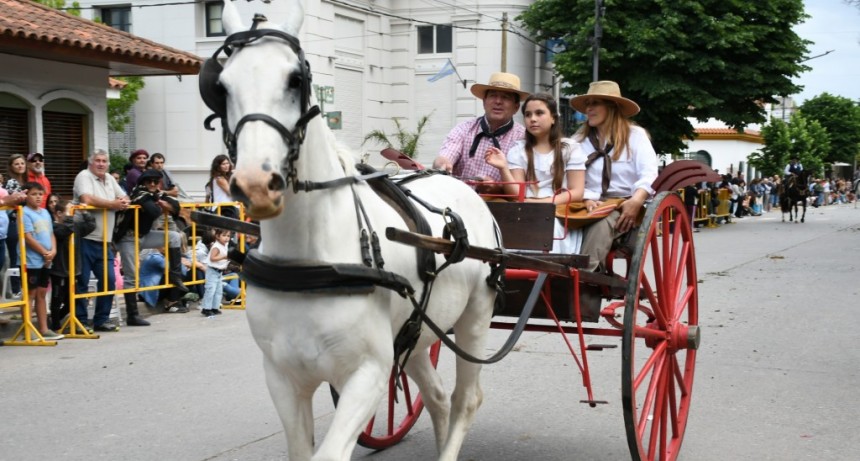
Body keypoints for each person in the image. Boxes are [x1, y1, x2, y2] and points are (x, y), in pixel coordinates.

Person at [570, 81, 658, 322]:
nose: (588, 108)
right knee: (552, 218)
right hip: (586, 202)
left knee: (602, 222)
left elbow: (649, 173)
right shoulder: (579, 140)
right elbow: (569, 174)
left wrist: (637, 199)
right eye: (587, 103)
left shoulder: (635, 136)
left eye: (594, 103)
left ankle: (583, 277)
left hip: (623, 204)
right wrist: (587, 199)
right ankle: (548, 272)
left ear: (611, 107)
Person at [484, 92, 586, 253]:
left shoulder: (570, 148)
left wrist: (545, 204)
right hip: (525, 210)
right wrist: (503, 168)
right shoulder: (518, 150)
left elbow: (577, 191)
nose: (533, 119)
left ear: (553, 118)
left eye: (539, 113)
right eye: (528, 115)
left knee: (546, 230)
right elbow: (517, 193)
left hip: (557, 212)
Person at [114, 168, 188, 323]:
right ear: (143, 182)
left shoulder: (155, 194)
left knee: (174, 237)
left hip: (144, 235)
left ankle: (175, 277)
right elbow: (153, 211)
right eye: (149, 181)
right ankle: (133, 315)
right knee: (131, 276)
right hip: (128, 237)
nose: (153, 184)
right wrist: (163, 205)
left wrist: (165, 203)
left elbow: (176, 205)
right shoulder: (139, 193)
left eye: (156, 181)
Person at [432, 72, 528, 189]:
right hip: (459, 201)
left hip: (503, 204)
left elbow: (521, 188)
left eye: (505, 97)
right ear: (484, 102)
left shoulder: (523, 138)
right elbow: (446, 156)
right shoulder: (463, 129)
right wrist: (441, 163)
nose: (498, 101)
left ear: (516, 107)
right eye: (493, 95)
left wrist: (497, 189)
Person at [73, 149, 130, 332]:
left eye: (104, 161)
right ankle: (80, 321)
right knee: (81, 282)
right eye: (97, 160)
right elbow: (86, 198)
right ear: (91, 163)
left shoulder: (110, 178)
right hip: (85, 238)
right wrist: (113, 204)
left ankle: (101, 320)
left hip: (105, 239)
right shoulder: (84, 176)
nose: (101, 164)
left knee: (109, 280)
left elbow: (124, 196)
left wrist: (123, 201)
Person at [21, 182, 63, 340]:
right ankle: (28, 328)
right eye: (34, 194)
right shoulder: (24, 213)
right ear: (26, 196)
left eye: (40, 194)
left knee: (42, 293)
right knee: (30, 293)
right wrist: (45, 252)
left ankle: (44, 329)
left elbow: (51, 233)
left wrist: (53, 251)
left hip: (46, 259)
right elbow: (27, 237)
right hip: (31, 260)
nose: (38, 197)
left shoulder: (45, 212)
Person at [4, 153, 29, 296]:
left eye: (22, 163)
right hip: (14, 223)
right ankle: (15, 289)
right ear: (11, 167)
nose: (20, 166)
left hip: (25, 222)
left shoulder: (25, 182)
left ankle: (21, 285)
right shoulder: (11, 182)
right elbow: (14, 201)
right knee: (15, 256)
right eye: (16, 164)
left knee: (23, 256)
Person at [201, 228, 231, 316]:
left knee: (218, 291)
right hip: (212, 271)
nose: (226, 238)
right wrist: (224, 257)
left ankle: (215, 307)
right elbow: (212, 258)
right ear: (217, 236)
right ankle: (206, 308)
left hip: (219, 272)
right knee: (211, 290)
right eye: (224, 235)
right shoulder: (216, 246)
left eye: (228, 236)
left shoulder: (225, 245)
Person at [206, 154, 238, 219]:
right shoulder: (220, 179)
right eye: (223, 164)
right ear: (218, 166)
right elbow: (231, 193)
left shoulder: (216, 178)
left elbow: (207, 197)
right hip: (225, 209)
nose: (226, 166)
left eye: (227, 163)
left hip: (226, 208)